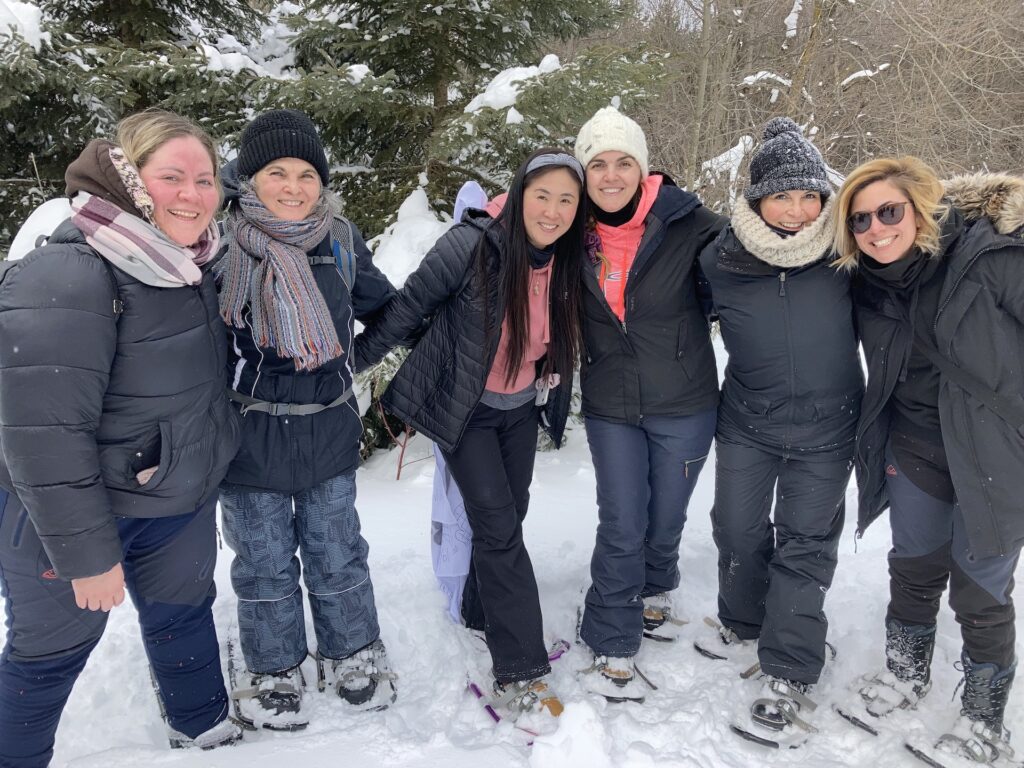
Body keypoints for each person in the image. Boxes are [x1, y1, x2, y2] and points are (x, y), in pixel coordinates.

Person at [0, 109, 243, 767]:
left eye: (205, 178)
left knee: (183, 617)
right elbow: (41, 435)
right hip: (72, 517)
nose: (193, 194)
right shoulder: (69, 273)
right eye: (173, 177)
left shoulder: (192, 262)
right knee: (49, 653)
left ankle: (207, 737)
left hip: (173, 499)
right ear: (132, 180)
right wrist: (87, 553)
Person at [355, 148, 586, 720]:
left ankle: (483, 614)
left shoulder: (567, 260)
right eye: (542, 196)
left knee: (511, 514)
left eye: (566, 200)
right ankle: (522, 669)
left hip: (519, 410)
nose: (553, 211)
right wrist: (346, 364)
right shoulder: (470, 246)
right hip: (468, 412)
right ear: (519, 193)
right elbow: (406, 311)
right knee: (499, 530)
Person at [834, 157, 1024, 763]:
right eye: (861, 218)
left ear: (920, 208)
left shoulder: (992, 258)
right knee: (913, 564)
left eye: (890, 211)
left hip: (994, 453)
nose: (876, 228)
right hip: (913, 443)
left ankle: (983, 719)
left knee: (981, 586)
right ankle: (905, 673)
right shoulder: (864, 280)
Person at [215, 109, 399, 729]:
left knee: (336, 549)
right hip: (249, 434)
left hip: (326, 425)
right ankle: (272, 663)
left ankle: (351, 651)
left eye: (305, 174)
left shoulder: (340, 240)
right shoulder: (219, 248)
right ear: (248, 178)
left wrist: (349, 363)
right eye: (276, 172)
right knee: (263, 558)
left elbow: (390, 312)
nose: (293, 187)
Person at [698, 117, 862, 738]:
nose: (797, 211)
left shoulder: (848, 252)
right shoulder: (721, 258)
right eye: (782, 196)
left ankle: (790, 667)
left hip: (828, 427)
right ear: (757, 199)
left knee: (805, 543)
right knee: (736, 529)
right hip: (747, 421)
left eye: (808, 196)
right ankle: (743, 622)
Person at [573, 106, 725, 702]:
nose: (611, 175)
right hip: (612, 404)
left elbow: (745, 277)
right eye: (598, 164)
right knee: (622, 521)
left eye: (624, 162)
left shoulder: (690, 224)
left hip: (684, 400)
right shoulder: (571, 233)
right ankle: (612, 634)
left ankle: (657, 583)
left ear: (643, 167)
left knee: (665, 517)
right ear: (583, 173)